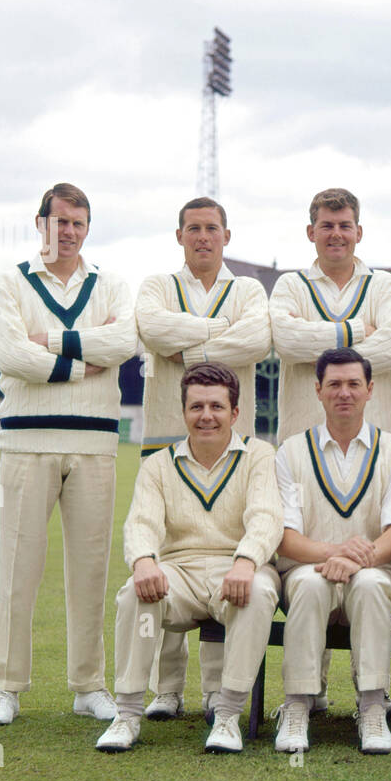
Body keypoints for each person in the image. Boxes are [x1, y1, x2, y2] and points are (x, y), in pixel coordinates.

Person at [0, 182, 136, 725]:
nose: (67, 232)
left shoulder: (110, 285)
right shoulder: (8, 283)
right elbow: (8, 353)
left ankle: (88, 685)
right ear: (40, 223)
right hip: (27, 441)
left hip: (95, 442)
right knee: (17, 568)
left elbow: (124, 343)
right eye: (59, 221)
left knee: (90, 570)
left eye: (77, 223)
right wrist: (78, 359)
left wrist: (48, 341)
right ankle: (5, 687)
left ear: (87, 228)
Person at [95, 363, 283, 753]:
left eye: (216, 407)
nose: (206, 416)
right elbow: (141, 522)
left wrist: (246, 562)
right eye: (196, 407)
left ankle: (228, 715)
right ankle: (127, 714)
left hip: (236, 566)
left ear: (235, 413)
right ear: (184, 412)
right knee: (135, 592)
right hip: (179, 571)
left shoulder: (259, 455)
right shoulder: (158, 464)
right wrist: (144, 561)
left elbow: (266, 517)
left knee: (259, 592)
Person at [134, 196, 272, 722]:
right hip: (166, 444)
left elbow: (258, 339)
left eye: (211, 229)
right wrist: (221, 341)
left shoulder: (250, 290)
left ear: (226, 236)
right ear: (179, 236)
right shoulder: (155, 287)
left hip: (234, 451)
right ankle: (166, 689)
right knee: (168, 563)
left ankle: (217, 690)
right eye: (193, 229)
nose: (202, 237)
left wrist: (188, 352)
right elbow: (152, 328)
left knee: (225, 561)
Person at [272, 348, 391, 754]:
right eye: (334, 384)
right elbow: (286, 538)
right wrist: (335, 553)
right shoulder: (291, 451)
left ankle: (371, 705)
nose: (343, 393)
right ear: (317, 390)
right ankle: (298, 703)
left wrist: (353, 561)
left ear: (370, 390)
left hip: (377, 570)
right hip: (306, 570)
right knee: (313, 587)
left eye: (353, 384)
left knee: (366, 585)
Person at [269, 188, 391, 440]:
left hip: (378, 441)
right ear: (311, 233)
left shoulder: (383, 284)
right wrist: (357, 331)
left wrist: (314, 354)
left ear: (358, 232)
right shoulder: (290, 285)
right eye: (327, 226)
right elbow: (287, 343)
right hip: (303, 442)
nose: (336, 234)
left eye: (345, 226)